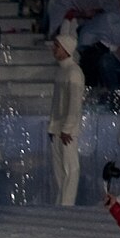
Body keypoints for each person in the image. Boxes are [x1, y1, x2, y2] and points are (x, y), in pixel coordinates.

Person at [49, 25, 85, 207]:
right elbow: (57, 104)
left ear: (67, 49)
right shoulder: (61, 71)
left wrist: (67, 128)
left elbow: (74, 105)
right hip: (57, 128)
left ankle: (67, 204)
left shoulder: (74, 72)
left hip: (66, 130)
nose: (54, 49)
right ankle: (61, 202)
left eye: (57, 46)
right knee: (59, 171)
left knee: (71, 168)